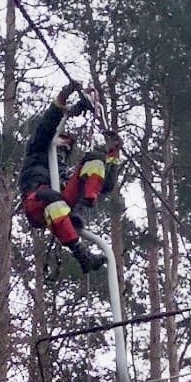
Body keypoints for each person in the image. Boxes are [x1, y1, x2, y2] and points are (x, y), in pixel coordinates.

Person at [19, 82, 122, 275]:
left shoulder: (64, 170)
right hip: (37, 201)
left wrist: (113, 153)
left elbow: (106, 185)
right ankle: (81, 254)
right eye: (63, 141)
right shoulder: (38, 148)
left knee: (95, 160)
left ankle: (83, 207)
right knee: (51, 197)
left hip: (61, 202)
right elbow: (48, 125)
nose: (66, 146)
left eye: (68, 145)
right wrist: (63, 97)